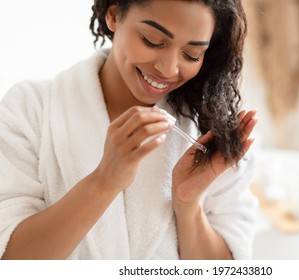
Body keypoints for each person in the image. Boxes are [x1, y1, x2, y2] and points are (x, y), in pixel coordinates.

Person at [0, 0, 258, 260]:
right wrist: (103, 182)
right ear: (113, 15)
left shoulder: (210, 132)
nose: (169, 69)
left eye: (191, 55)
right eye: (152, 40)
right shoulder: (30, 109)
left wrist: (188, 203)